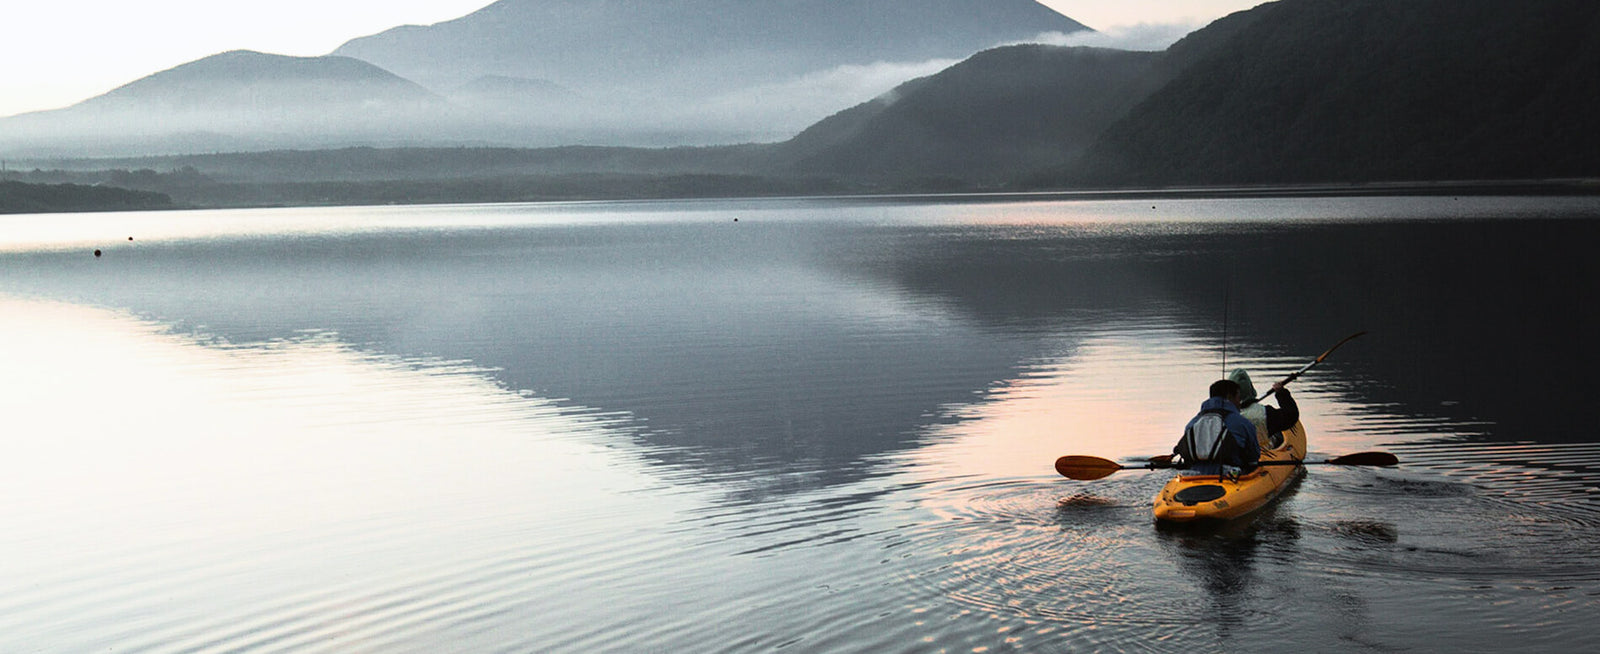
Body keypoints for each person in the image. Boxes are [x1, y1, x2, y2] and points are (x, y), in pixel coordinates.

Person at [1174, 369, 1299, 476]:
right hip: (1234, 474)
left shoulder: (1193, 423)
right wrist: (1281, 393)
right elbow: (1253, 457)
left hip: (1195, 474)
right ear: (1231, 396)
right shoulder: (1246, 422)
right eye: (1237, 397)